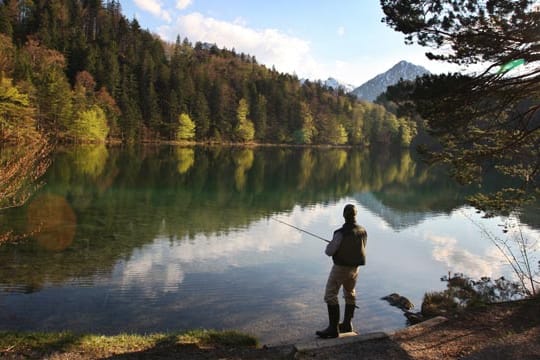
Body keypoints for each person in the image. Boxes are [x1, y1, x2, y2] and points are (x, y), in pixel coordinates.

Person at [316, 203, 367, 339]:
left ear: (344, 215)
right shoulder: (363, 230)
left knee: (330, 295)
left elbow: (329, 252)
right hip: (355, 269)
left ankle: (333, 329)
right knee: (350, 293)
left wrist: (331, 244)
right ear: (355, 215)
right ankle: (347, 324)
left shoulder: (340, 233)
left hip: (341, 268)